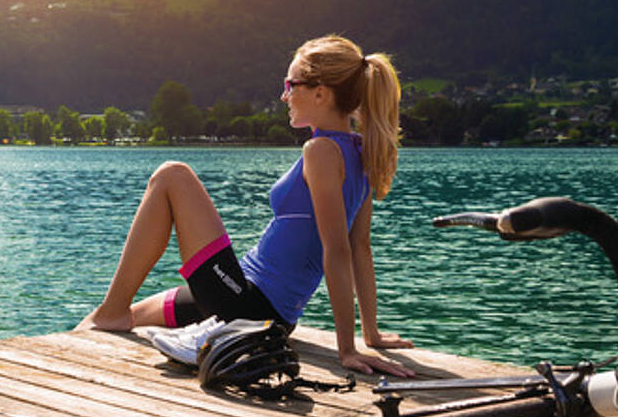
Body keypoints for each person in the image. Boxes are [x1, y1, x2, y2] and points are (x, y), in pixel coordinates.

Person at [76, 35, 414, 378]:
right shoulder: (361, 151)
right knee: (133, 316)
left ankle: (110, 311)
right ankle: (106, 318)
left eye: (290, 84)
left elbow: (338, 249)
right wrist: (370, 332)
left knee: (171, 176)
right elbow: (361, 247)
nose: (284, 95)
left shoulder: (321, 151)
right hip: (249, 297)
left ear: (320, 93)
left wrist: (347, 350)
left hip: (249, 305)